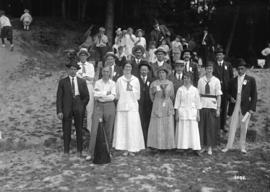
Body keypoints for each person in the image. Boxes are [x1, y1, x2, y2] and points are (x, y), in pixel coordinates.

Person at [222, 59, 257, 154]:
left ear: (245, 69)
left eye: (242, 69)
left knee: (244, 127)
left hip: (245, 106)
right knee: (232, 126)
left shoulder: (251, 80)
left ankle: (242, 147)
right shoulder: (232, 81)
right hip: (234, 104)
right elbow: (227, 93)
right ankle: (228, 146)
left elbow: (254, 95)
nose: (240, 71)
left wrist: (252, 108)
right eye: (238, 69)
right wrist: (230, 98)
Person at [56, 62, 89, 157]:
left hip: (78, 106)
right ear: (68, 70)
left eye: (75, 69)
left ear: (77, 71)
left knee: (79, 128)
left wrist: (82, 106)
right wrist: (59, 111)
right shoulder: (63, 82)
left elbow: (86, 96)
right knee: (66, 129)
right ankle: (66, 150)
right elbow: (59, 97)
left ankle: (80, 150)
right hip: (67, 107)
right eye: (71, 69)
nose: (73, 71)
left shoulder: (82, 81)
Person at [113, 62, 145, 155]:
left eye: (129, 67)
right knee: (123, 128)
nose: (127, 68)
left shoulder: (135, 80)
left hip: (132, 107)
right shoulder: (119, 80)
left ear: (131, 68)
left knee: (132, 128)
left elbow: (138, 96)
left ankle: (132, 148)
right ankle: (124, 148)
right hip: (122, 107)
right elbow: (117, 95)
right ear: (123, 69)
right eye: (126, 66)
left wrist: (131, 89)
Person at [86, 66, 116, 161]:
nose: (105, 73)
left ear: (110, 73)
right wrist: (106, 93)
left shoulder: (113, 83)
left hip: (109, 106)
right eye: (104, 71)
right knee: (95, 129)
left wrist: (102, 94)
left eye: (107, 71)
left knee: (108, 130)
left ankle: (108, 151)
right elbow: (95, 95)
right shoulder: (98, 82)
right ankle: (91, 153)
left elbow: (112, 97)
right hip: (99, 106)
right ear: (102, 72)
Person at [147, 66, 175, 150]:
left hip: (167, 105)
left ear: (166, 74)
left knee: (167, 124)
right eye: (160, 73)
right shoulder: (154, 83)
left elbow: (172, 95)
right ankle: (157, 145)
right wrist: (156, 101)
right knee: (157, 124)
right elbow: (151, 95)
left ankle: (167, 146)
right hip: (158, 104)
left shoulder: (170, 83)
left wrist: (167, 101)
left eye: (163, 73)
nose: (161, 74)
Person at [198, 61, 222, 155]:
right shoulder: (201, 80)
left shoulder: (216, 80)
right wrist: (197, 107)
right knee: (202, 126)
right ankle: (203, 146)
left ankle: (210, 147)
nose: (209, 70)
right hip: (202, 105)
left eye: (211, 68)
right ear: (205, 69)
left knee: (211, 127)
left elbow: (219, 95)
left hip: (212, 105)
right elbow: (198, 94)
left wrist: (218, 108)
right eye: (207, 68)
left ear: (213, 69)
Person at [174, 72, 201, 154]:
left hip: (193, 112)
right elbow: (177, 102)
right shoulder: (180, 89)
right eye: (185, 78)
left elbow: (198, 103)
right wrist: (177, 114)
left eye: (188, 78)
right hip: (182, 112)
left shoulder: (195, 90)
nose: (186, 80)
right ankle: (183, 148)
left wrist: (198, 114)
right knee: (183, 130)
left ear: (191, 79)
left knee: (193, 130)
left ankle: (195, 148)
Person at [213, 48, 234, 133]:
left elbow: (231, 78)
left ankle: (223, 126)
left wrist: (231, 92)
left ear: (223, 56)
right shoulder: (213, 65)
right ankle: (216, 126)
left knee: (224, 108)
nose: (219, 56)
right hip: (216, 91)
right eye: (217, 55)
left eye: (220, 55)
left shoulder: (228, 65)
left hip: (225, 91)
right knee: (216, 108)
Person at [76, 48, 95, 136]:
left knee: (90, 109)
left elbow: (91, 78)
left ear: (87, 56)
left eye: (84, 55)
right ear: (79, 56)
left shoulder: (90, 66)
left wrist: (83, 76)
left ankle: (89, 128)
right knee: (79, 109)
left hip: (89, 88)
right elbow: (76, 78)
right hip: (79, 89)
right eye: (81, 55)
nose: (83, 57)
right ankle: (78, 129)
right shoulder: (76, 65)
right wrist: (86, 77)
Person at [138, 61, 153, 145]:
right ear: (140, 70)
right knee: (140, 122)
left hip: (148, 105)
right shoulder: (136, 79)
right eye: (142, 70)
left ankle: (147, 141)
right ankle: (140, 141)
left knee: (148, 122)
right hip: (139, 104)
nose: (144, 71)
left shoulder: (151, 80)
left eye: (145, 70)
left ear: (148, 71)